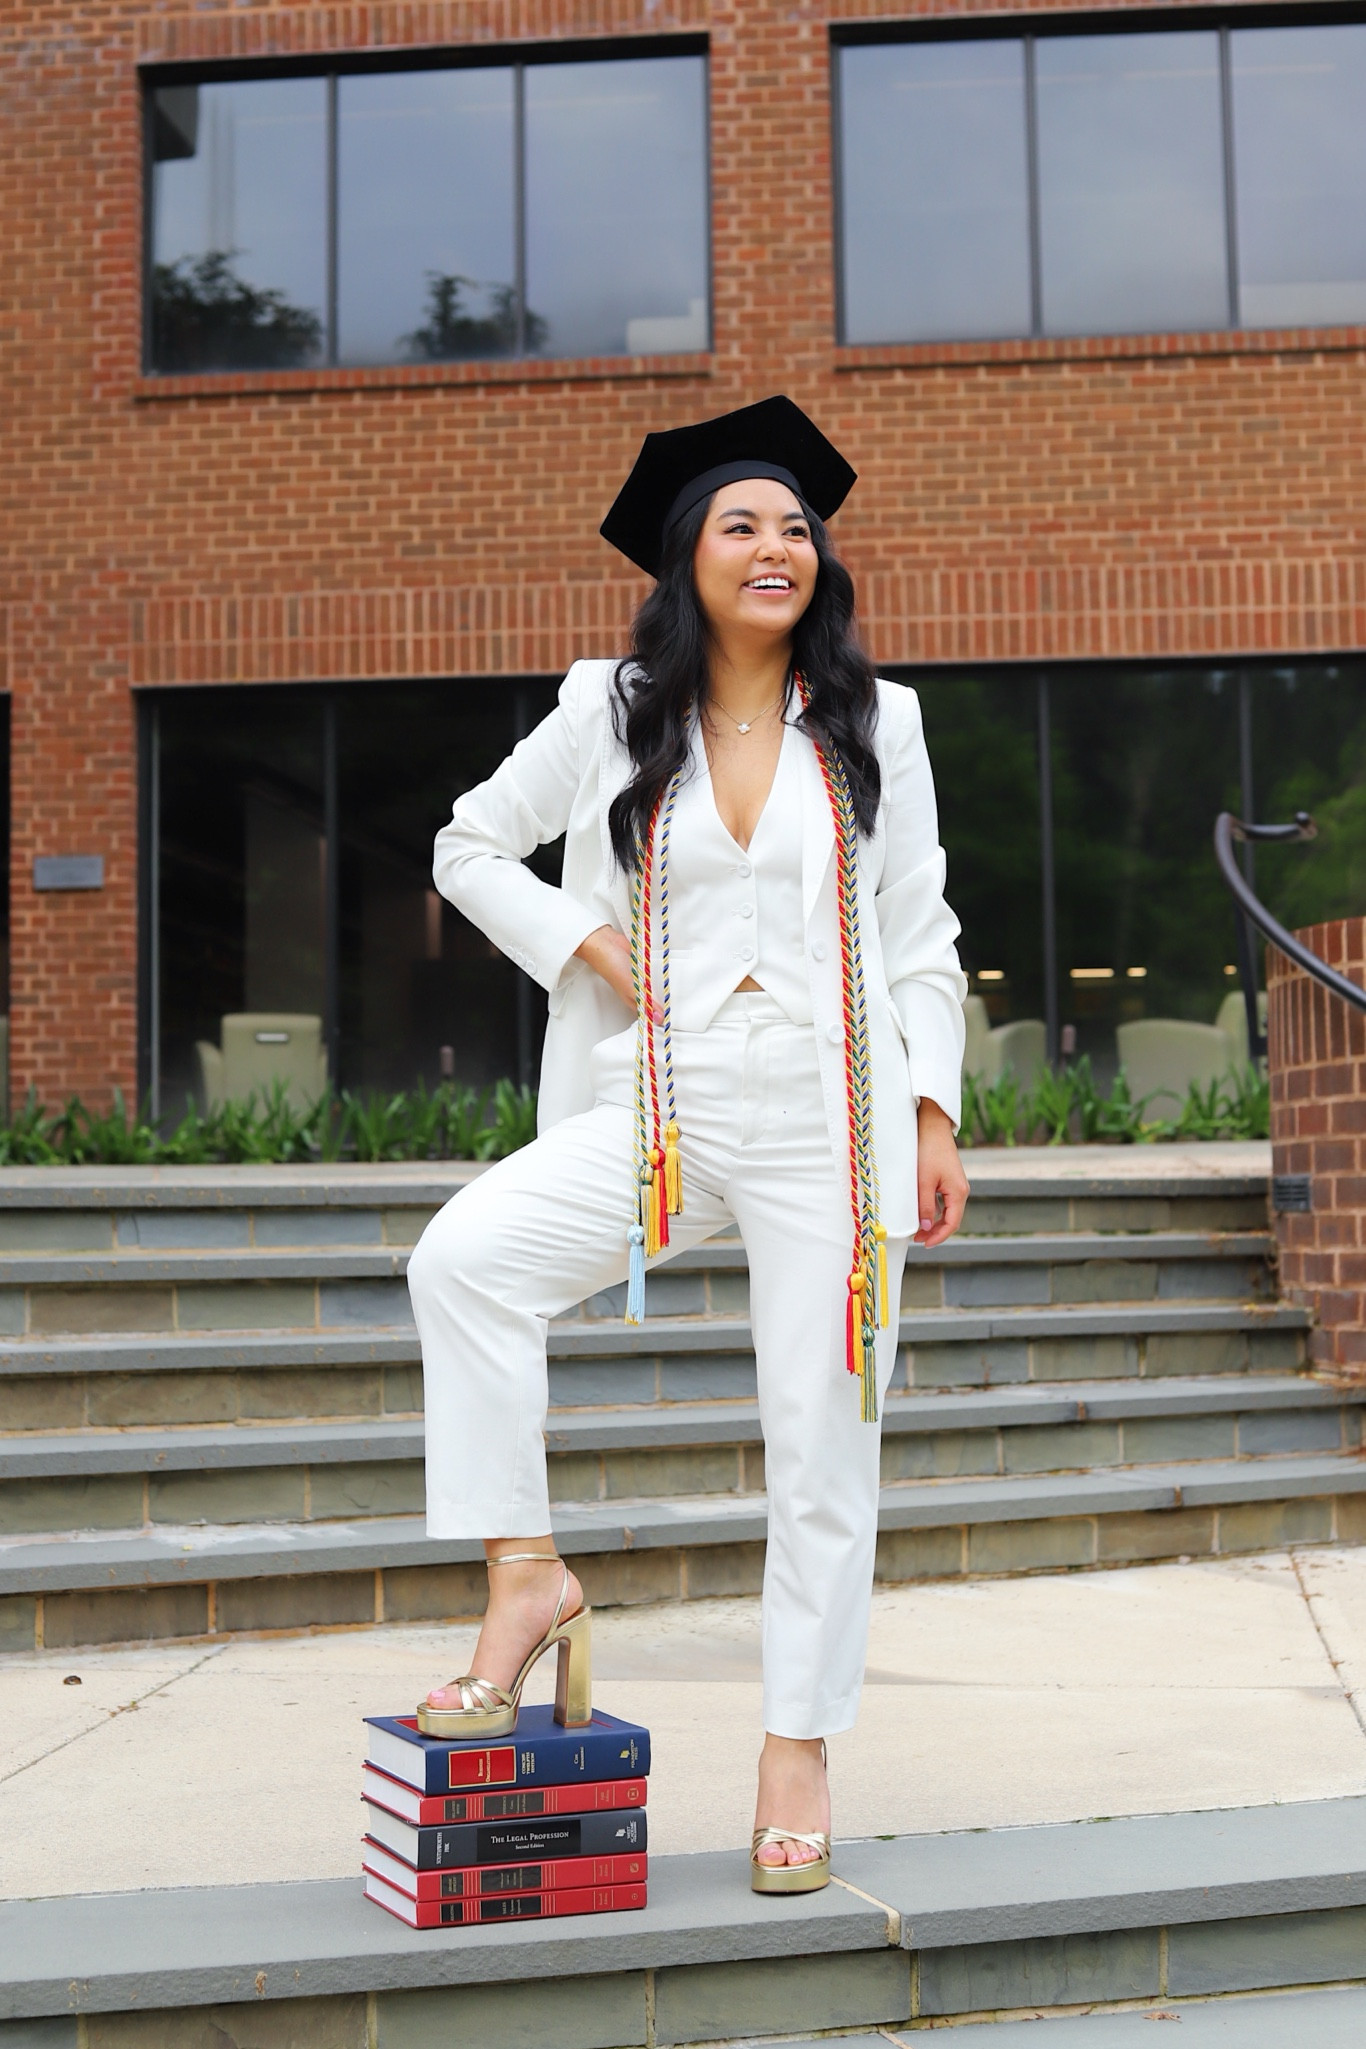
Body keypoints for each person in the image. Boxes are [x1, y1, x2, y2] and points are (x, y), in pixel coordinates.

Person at [406, 395, 969, 1893]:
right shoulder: (608, 703)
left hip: (828, 1127)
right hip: (657, 1103)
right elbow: (466, 841)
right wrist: (583, 935)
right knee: (462, 1260)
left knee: (820, 1449)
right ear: (686, 555)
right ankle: (526, 1575)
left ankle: (795, 1749)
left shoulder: (875, 718)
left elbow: (918, 931)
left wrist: (931, 1107)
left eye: (795, 527)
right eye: (742, 523)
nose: (775, 546)